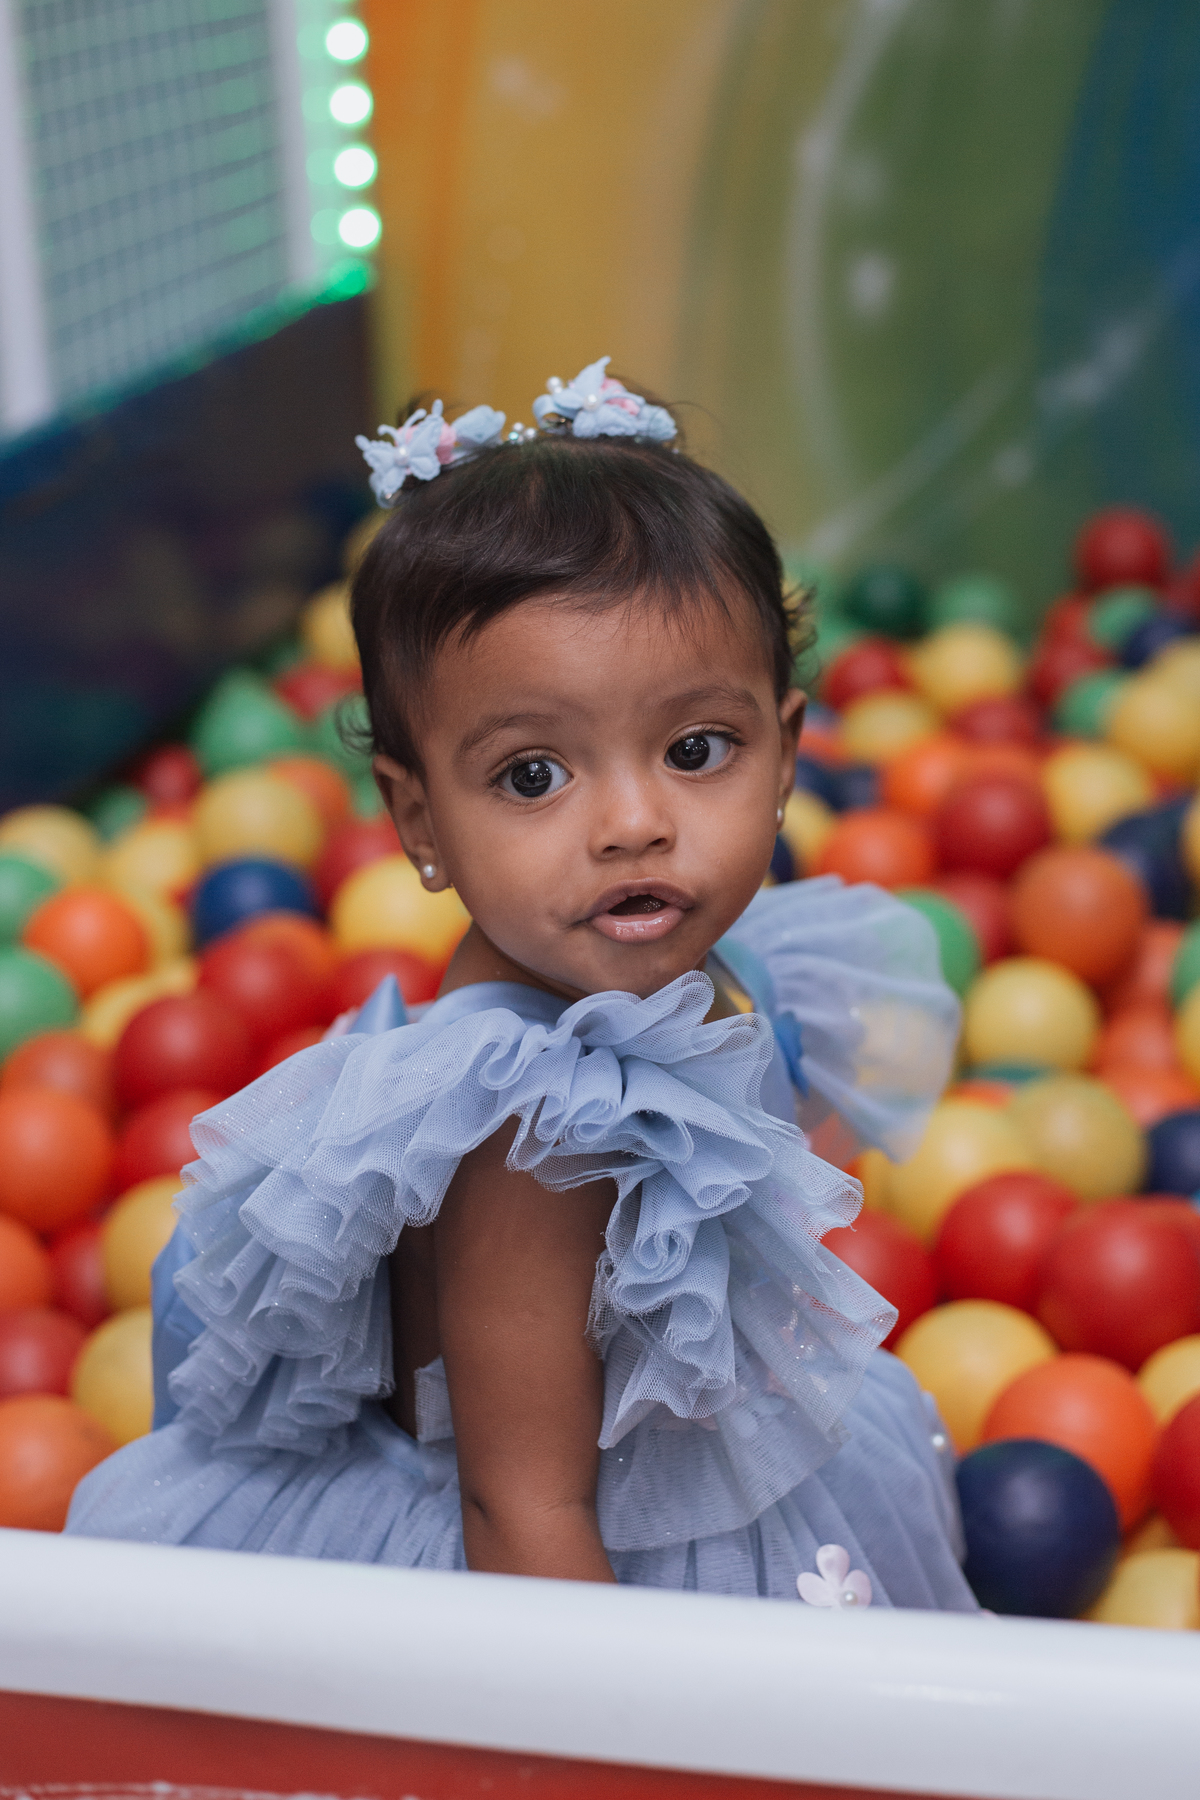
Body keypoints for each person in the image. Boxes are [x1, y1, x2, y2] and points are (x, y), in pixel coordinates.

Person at [67, 359, 976, 1611]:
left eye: (696, 750)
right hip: (558, 1556)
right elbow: (523, 1508)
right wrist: (610, 1747)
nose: (633, 822)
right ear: (418, 818)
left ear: (785, 756)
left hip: (656, 1468)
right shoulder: (535, 1124)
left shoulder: (655, 967)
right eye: (533, 776)